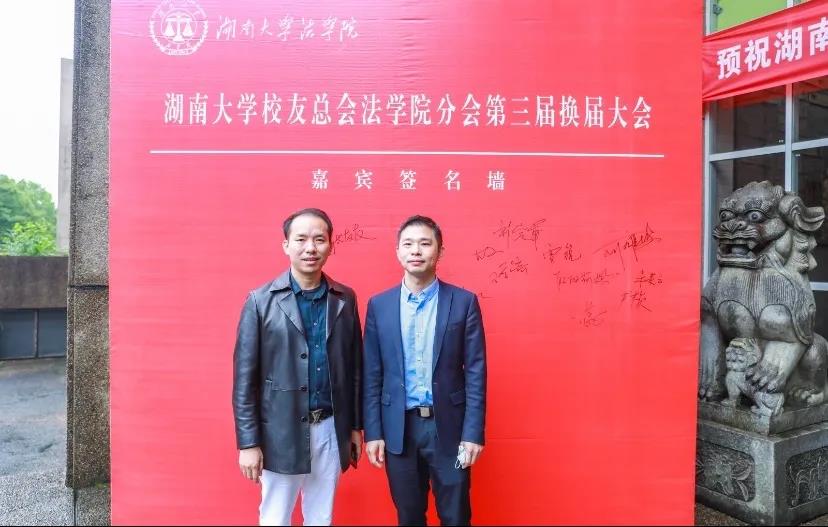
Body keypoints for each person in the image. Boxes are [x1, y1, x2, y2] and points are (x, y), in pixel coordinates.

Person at [232, 208, 363, 526]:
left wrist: (355, 427)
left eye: (319, 239)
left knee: (321, 517)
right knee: (275, 518)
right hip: (280, 432)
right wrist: (248, 443)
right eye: (301, 239)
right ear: (286, 245)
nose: (310, 248)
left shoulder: (344, 298)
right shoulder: (260, 301)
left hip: (330, 428)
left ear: (330, 245)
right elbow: (244, 381)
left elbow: (355, 368)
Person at [363, 215, 487, 526]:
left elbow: (475, 372)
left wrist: (472, 434)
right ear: (397, 251)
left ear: (440, 251)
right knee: (408, 516)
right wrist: (373, 432)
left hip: (450, 429)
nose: (416, 251)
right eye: (408, 244)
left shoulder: (463, 302)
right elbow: (372, 374)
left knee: (456, 516)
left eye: (424, 243)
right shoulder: (379, 306)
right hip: (399, 428)